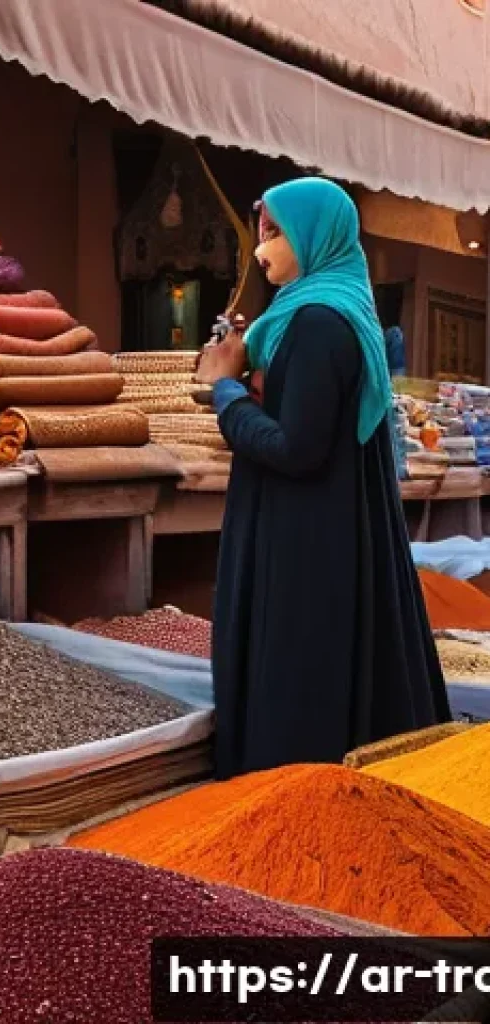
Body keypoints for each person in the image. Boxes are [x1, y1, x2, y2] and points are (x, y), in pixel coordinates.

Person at [195, 178, 449, 780]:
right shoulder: (321, 313)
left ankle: (289, 793)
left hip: (302, 537)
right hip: (321, 527)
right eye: (262, 237)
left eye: (277, 236)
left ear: (317, 237)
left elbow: (297, 448)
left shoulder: (317, 322)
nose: (263, 254)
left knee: (299, 675)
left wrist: (226, 393)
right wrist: (241, 369)